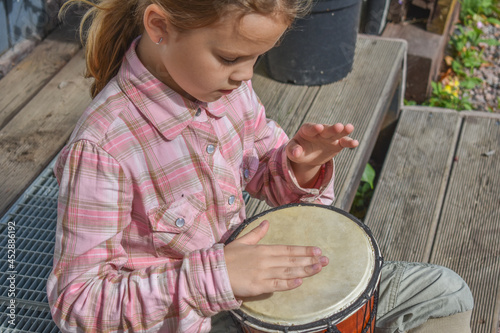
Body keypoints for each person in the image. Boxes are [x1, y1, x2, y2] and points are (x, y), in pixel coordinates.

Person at [47, 0, 473, 332]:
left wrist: (300, 169)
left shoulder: (230, 94)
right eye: (231, 58)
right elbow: (77, 303)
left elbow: (266, 172)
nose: (245, 76)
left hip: (249, 286)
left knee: (444, 293)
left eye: (258, 57)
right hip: (185, 318)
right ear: (160, 27)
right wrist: (215, 277)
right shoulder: (102, 150)